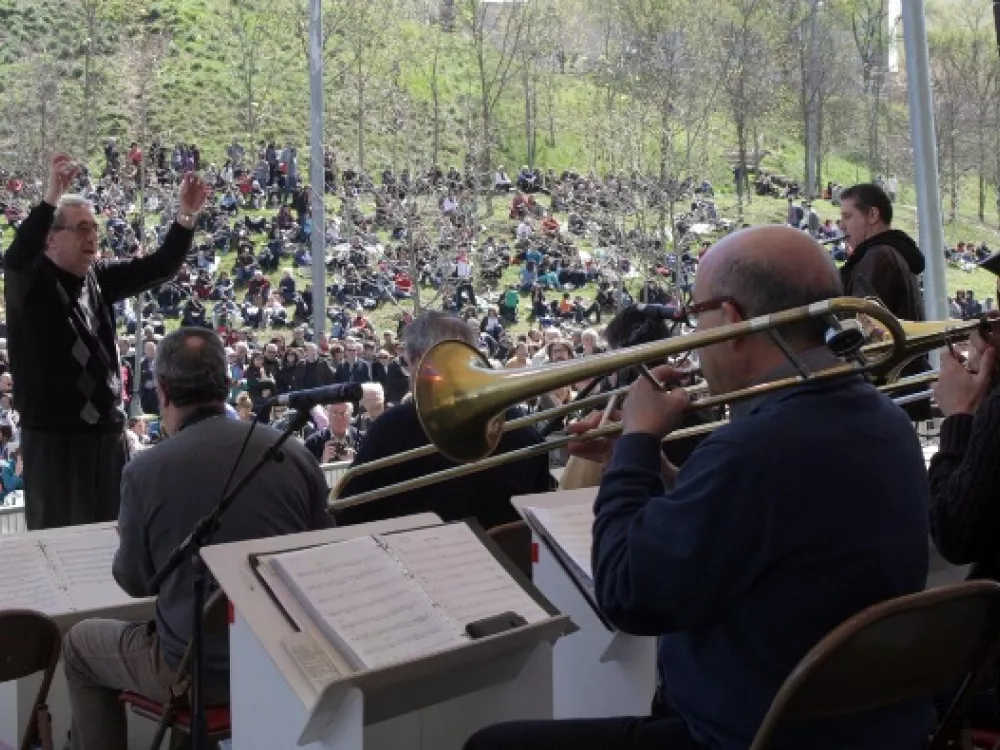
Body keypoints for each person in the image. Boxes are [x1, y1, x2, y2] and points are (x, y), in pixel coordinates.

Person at [464, 226, 932, 750]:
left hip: (741, 735)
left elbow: (626, 594)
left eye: (697, 315)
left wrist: (638, 438)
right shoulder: (885, 421)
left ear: (730, 319)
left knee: (491, 746)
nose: (692, 336)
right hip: (865, 730)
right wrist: (641, 463)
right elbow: (745, 522)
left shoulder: (754, 449)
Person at [62, 328, 331, 750]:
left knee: (80, 645)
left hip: (197, 673)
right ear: (226, 383)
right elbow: (324, 555)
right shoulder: (295, 453)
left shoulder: (144, 472)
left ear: (163, 391)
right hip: (285, 662)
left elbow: (135, 582)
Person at [4, 153, 209, 530]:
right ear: (50, 239)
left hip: (108, 436)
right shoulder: (31, 283)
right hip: (55, 442)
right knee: (63, 545)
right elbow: (16, 258)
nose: (92, 237)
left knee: (113, 541)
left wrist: (186, 216)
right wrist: (50, 198)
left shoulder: (99, 278)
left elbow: (160, 266)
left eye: (95, 228)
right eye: (81, 228)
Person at [335, 310, 552, 530]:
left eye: (408, 363)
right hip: (509, 553)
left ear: (419, 361)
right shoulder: (518, 424)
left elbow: (347, 513)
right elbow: (544, 502)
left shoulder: (391, 427)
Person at [838, 183, 924, 322]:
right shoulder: (890, 254)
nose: (841, 225)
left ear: (872, 215)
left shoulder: (879, 257)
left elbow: (859, 324)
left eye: (847, 217)